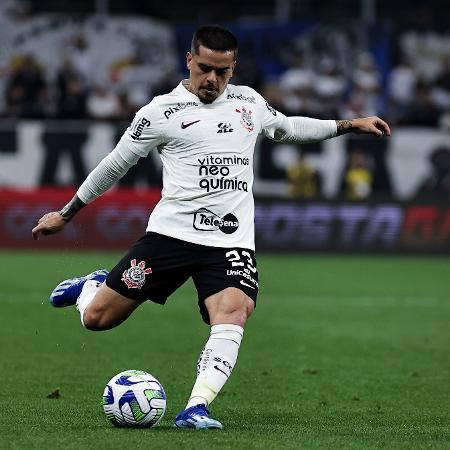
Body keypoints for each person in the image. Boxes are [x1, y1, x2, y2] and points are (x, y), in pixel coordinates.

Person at [31, 25, 391, 430]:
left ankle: (196, 407)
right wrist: (67, 212)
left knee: (234, 311)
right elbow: (114, 164)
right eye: (204, 69)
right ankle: (91, 287)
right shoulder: (160, 112)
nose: (212, 80)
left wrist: (348, 124)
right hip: (170, 236)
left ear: (233, 68)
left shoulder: (248, 103)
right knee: (98, 320)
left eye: (222, 72)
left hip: (229, 241)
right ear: (189, 60)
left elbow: (288, 128)